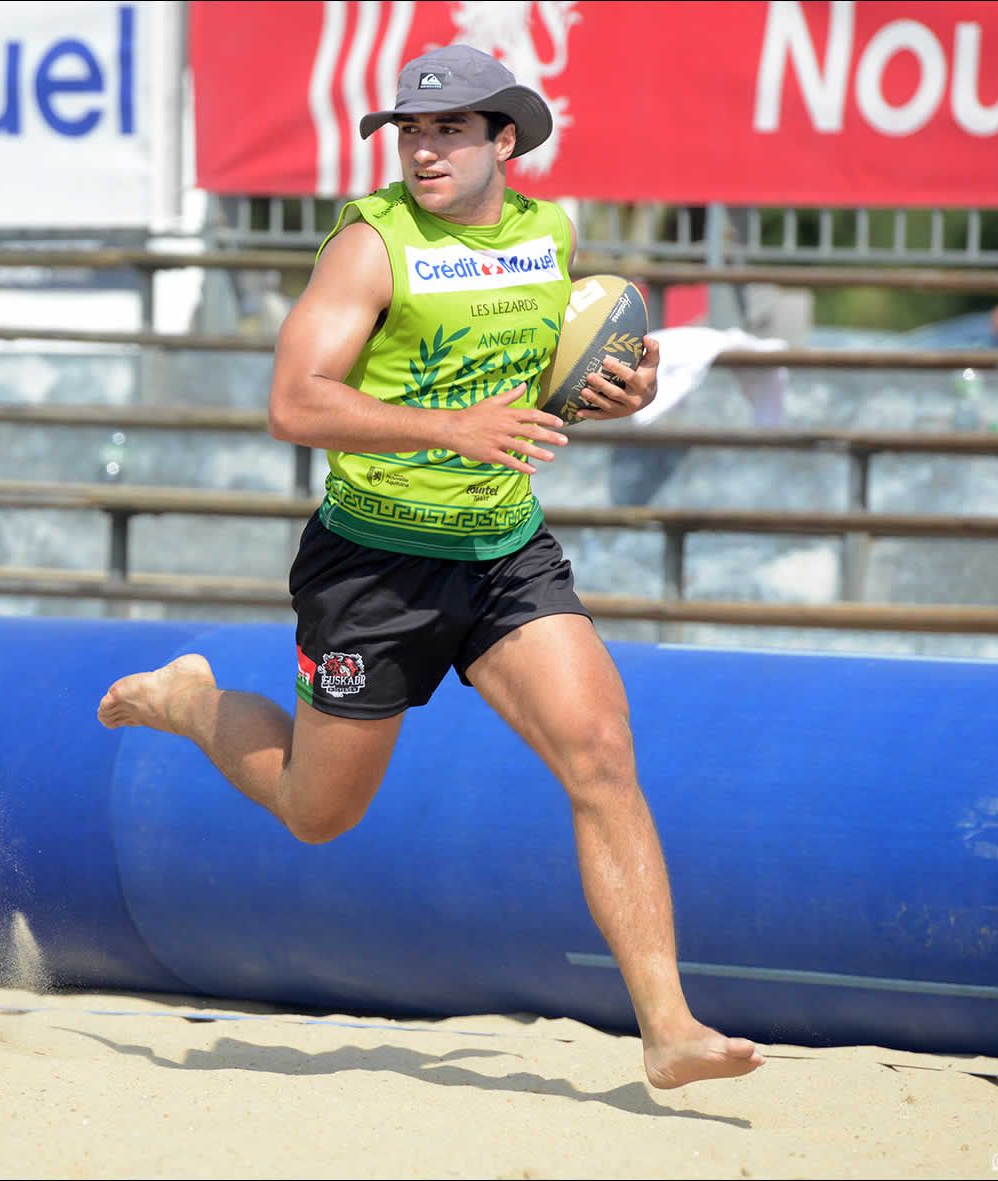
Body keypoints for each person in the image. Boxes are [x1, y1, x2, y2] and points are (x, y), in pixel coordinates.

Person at [98, 44, 764, 1091]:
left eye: (448, 129)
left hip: (502, 551)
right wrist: (446, 428)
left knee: (600, 750)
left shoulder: (548, 236)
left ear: (504, 139)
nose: (423, 149)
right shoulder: (371, 246)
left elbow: (543, 384)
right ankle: (188, 700)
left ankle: (669, 1025)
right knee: (319, 812)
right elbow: (292, 403)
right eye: (410, 130)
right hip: (374, 564)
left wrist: (618, 392)